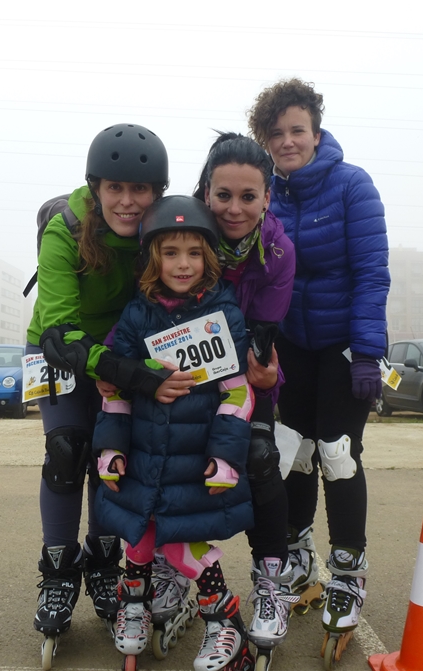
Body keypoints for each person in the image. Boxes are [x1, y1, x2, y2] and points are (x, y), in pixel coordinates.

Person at [25, 123, 195, 653]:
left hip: (122, 352)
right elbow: (60, 330)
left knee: (110, 457)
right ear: (95, 187)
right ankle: (57, 571)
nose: (126, 202)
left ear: (157, 193)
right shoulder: (65, 229)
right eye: (114, 188)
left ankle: (102, 562)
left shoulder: (158, 231)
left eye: (139, 190)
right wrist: (132, 375)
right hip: (60, 345)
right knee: (66, 450)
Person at [247, 79, 390, 641]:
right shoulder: (263, 191)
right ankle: (300, 554)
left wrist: (367, 354)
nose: (287, 141)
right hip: (289, 349)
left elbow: (372, 272)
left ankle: (349, 569)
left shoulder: (353, 185)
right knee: (294, 453)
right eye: (275, 132)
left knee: (338, 453)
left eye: (296, 130)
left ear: (316, 130)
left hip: (341, 346)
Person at [93, 195, 255, 671]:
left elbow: (238, 393)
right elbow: (115, 387)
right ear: (152, 258)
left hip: (192, 457)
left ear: (209, 257)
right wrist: (110, 449)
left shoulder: (225, 316)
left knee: (190, 545)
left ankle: (224, 626)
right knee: (138, 540)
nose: (182, 264)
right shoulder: (136, 316)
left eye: (193, 252)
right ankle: (135, 608)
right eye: (170, 252)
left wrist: (226, 459)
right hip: (143, 455)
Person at [192, 132, 297, 653]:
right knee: (171, 459)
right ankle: (176, 572)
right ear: (206, 192)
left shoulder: (278, 251)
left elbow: (262, 332)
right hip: (183, 372)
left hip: (245, 370)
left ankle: (270, 585)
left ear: (267, 198)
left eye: (248, 197)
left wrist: (264, 378)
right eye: (223, 195)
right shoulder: (181, 230)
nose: (234, 209)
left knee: (259, 458)